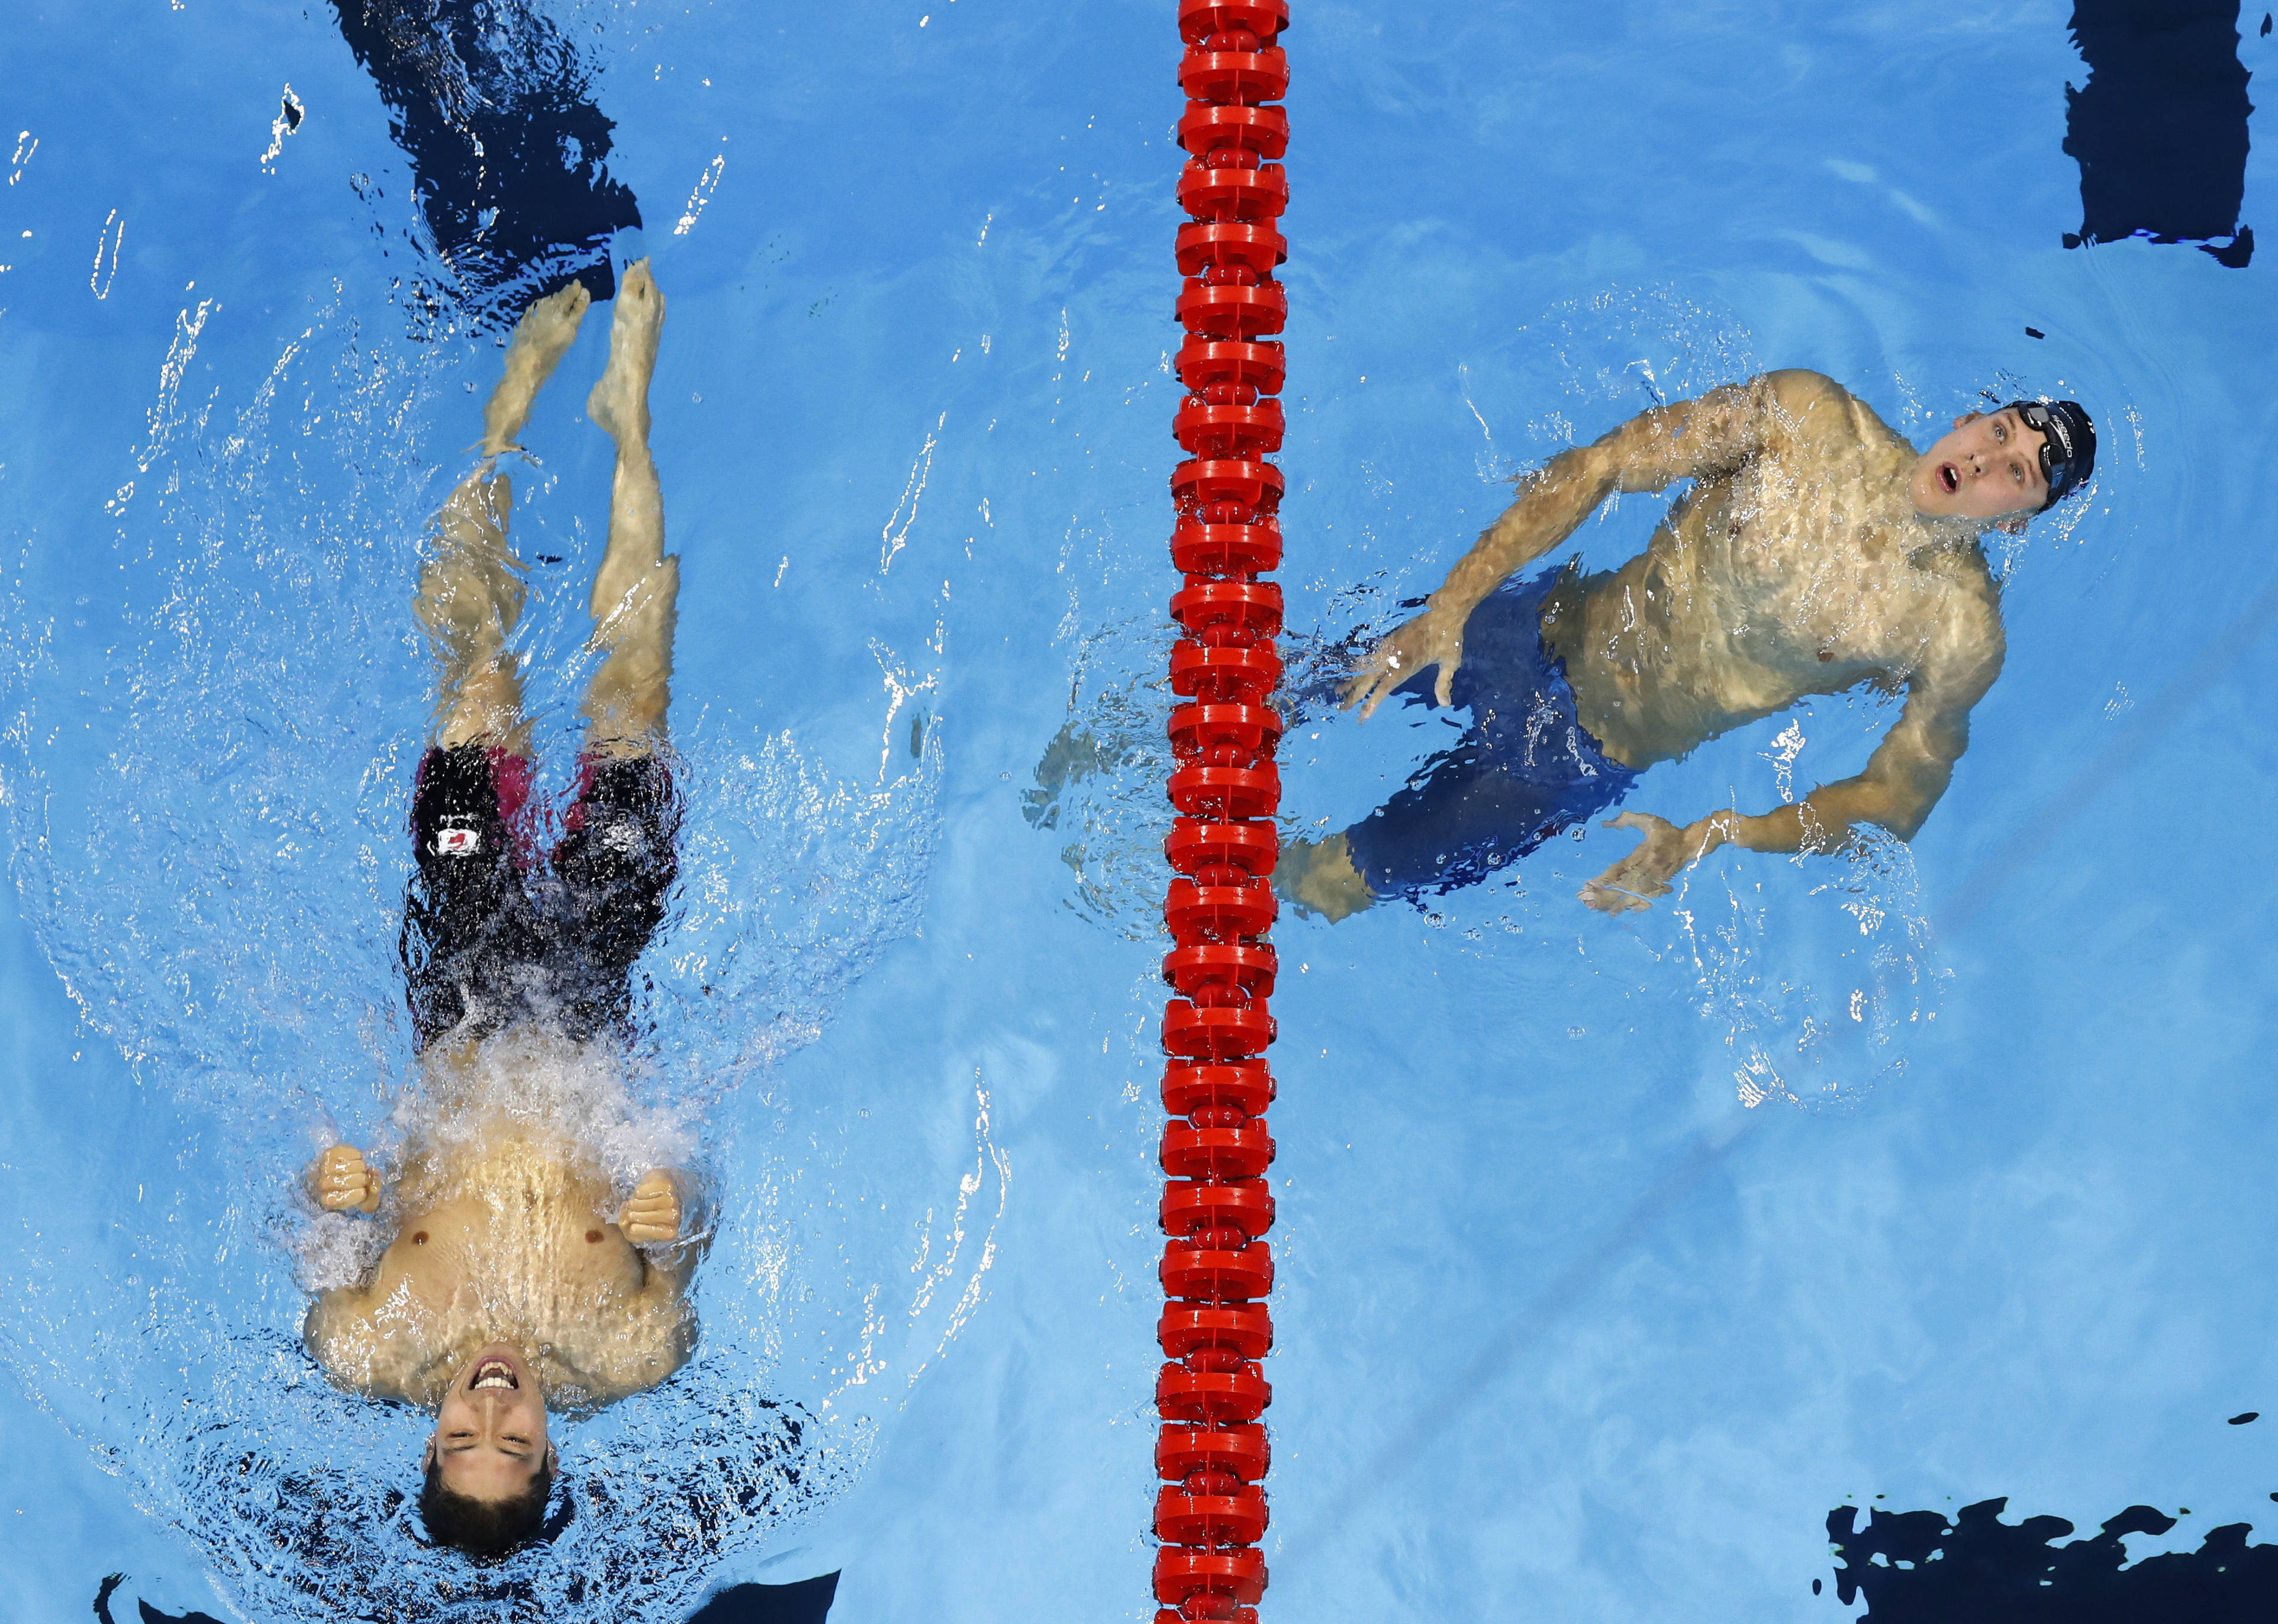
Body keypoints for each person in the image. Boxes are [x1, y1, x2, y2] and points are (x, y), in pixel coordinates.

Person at [298, 262, 698, 1559]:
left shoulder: (368, 1342)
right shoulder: (630, 1345)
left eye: (464, 1439)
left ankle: (504, 417)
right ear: (549, 1444)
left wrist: (330, 1198)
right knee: (634, 698)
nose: (488, 1406)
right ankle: (628, 416)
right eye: (514, 1442)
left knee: (475, 679)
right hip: (587, 984)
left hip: (462, 986)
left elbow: (298, 1225)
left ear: (427, 1445)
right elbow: (702, 1203)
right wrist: (668, 1203)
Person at [1276, 370, 2095, 920]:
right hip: (1525, 629)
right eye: (1995, 432)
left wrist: (1717, 832)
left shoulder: (1953, 630)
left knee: (1329, 884)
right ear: (1964, 420)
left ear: (2013, 520)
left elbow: (1896, 801)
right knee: (1267, 687)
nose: (1985, 459)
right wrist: (1454, 604)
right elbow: (1601, 464)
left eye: (2014, 474)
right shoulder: (1806, 417)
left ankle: (1156, 880)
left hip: (1575, 760)